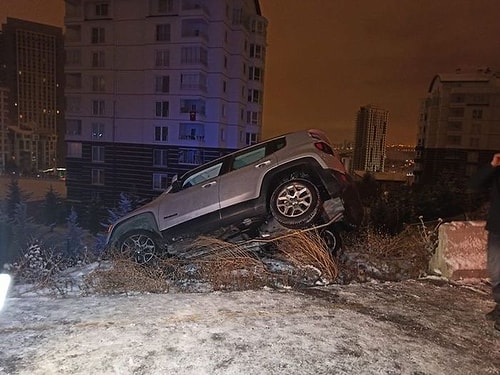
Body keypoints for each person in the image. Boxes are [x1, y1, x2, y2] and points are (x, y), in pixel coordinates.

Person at [469, 153, 500, 331]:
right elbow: (474, 185)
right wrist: (491, 166)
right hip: (497, 227)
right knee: (496, 271)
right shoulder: (497, 170)